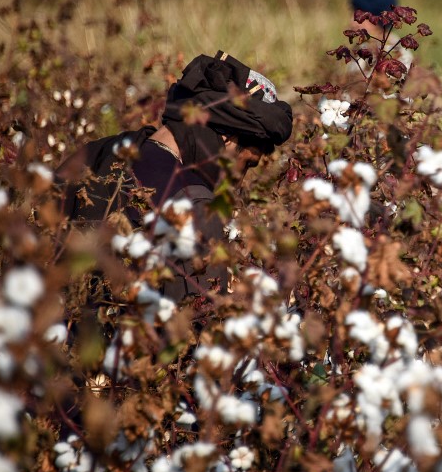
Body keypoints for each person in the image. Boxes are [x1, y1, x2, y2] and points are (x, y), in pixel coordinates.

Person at [57, 51, 293, 302]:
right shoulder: (195, 206)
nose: (239, 182)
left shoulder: (95, 152)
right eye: (246, 164)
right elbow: (197, 324)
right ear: (228, 136)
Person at [348, 0, 414, 77]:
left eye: (361, 17)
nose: (353, 23)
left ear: (380, 18)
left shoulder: (398, 57)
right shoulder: (359, 52)